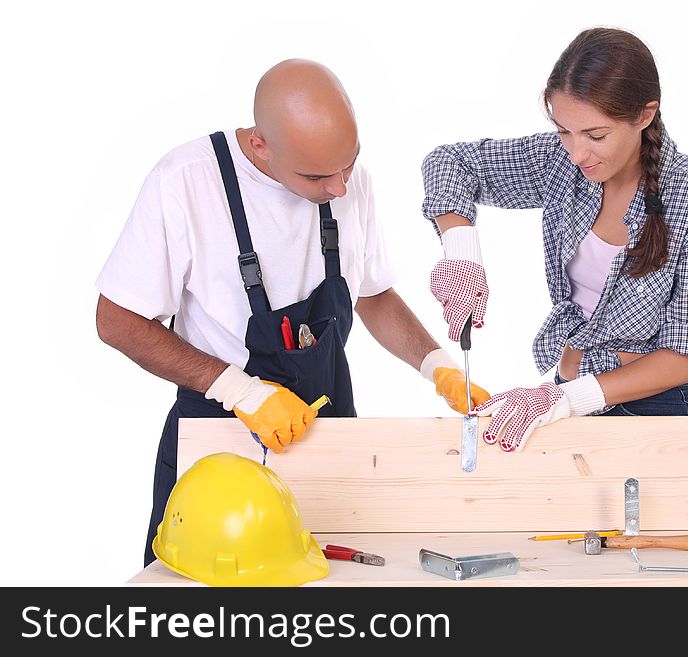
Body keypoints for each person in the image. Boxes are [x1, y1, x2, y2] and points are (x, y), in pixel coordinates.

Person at [96, 59, 489, 567]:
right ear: (260, 144)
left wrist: (437, 365)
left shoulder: (346, 179)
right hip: (220, 445)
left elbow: (372, 295)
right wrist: (243, 392)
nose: (341, 188)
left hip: (328, 438)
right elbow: (117, 319)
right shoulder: (185, 184)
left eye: (350, 164)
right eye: (318, 175)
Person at [422, 28, 688, 452]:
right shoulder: (560, 162)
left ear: (644, 115)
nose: (576, 153)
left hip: (658, 413)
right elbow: (450, 162)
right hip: (566, 402)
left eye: (596, 135)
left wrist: (569, 398)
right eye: (564, 130)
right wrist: (461, 253)